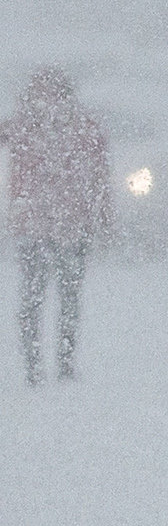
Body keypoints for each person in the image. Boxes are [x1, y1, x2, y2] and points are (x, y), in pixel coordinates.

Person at [8, 67, 116, 383]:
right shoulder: (81, 130)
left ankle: (40, 365)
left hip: (44, 226)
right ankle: (57, 364)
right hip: (62, 226)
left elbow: (99, 180)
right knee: (61, 298)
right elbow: (100, 181)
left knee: (38, 298)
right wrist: (104, 219)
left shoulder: (27, 130)